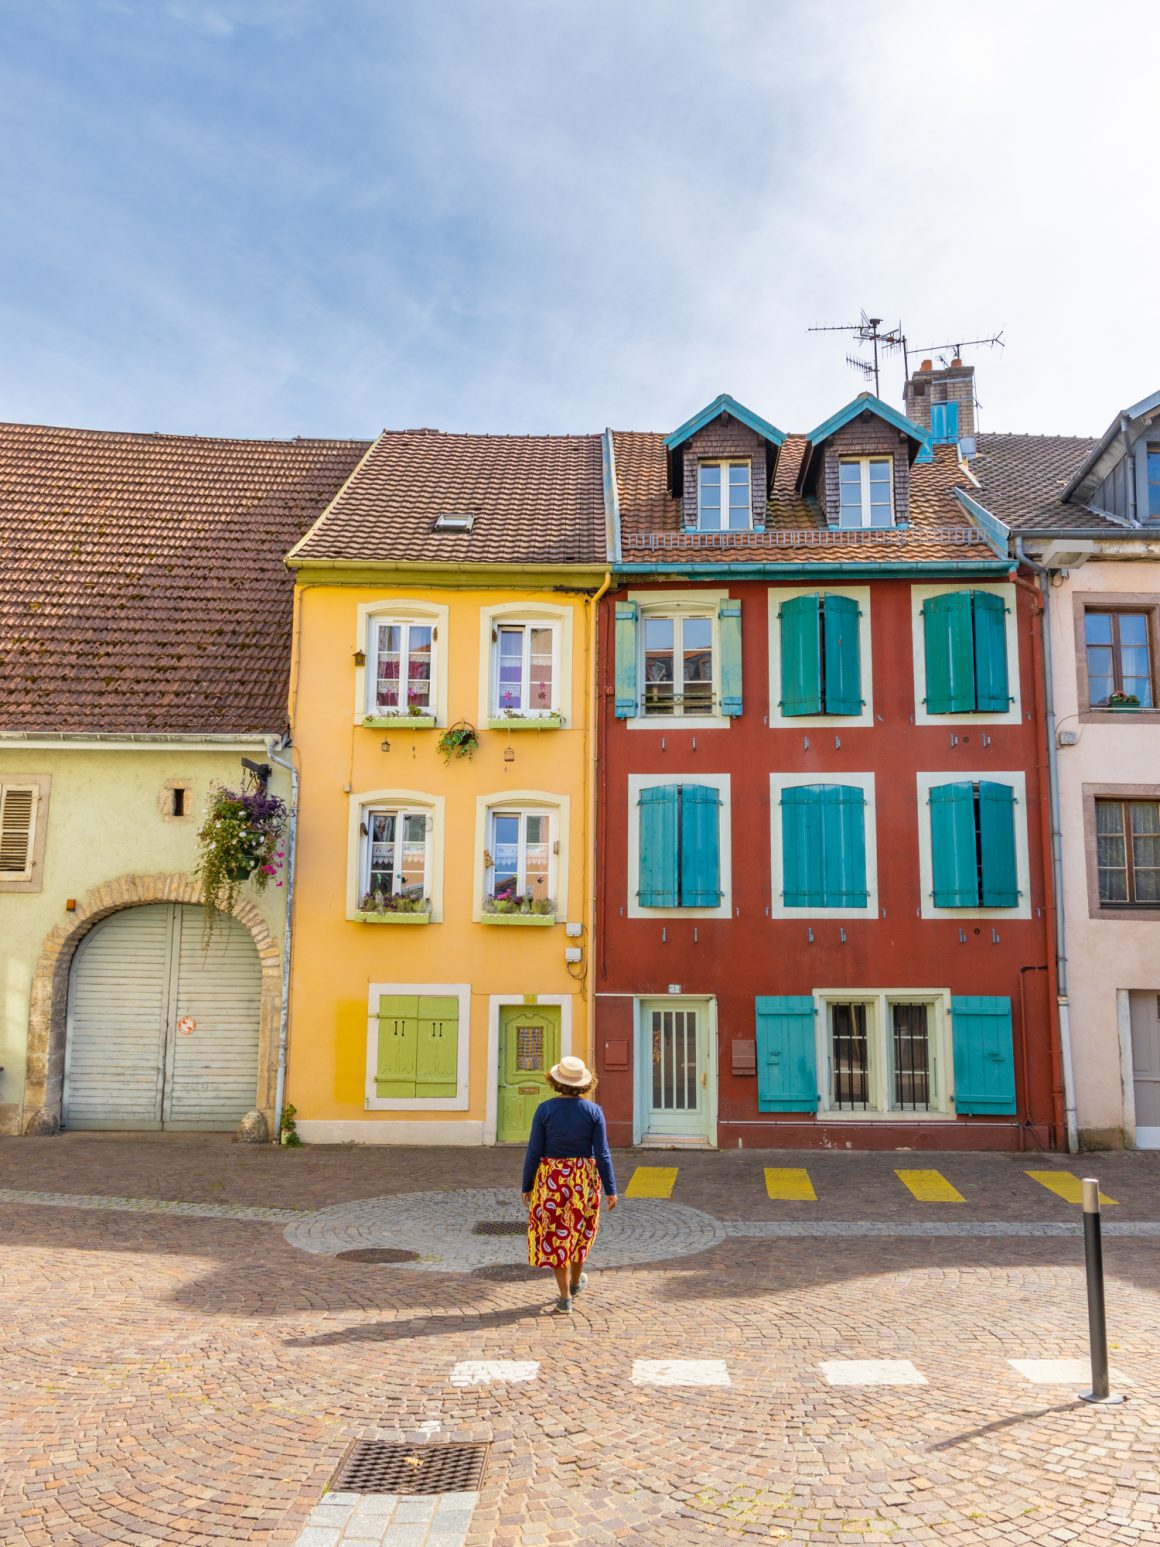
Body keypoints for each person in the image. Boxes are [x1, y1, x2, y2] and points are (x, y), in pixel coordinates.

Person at [521, 1055, 618, 1313]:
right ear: (583, 1084)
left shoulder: (545, 1110)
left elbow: (534, 1151)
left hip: (551, 1179)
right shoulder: (594, 1111)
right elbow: (603, 1153)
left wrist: (526, 1184)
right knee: (580, 1231)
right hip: (583, 1179)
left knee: (556, 1233)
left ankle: (565, 1296)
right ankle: (575, 1282)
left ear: (556, 1081)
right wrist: (611, 1189)